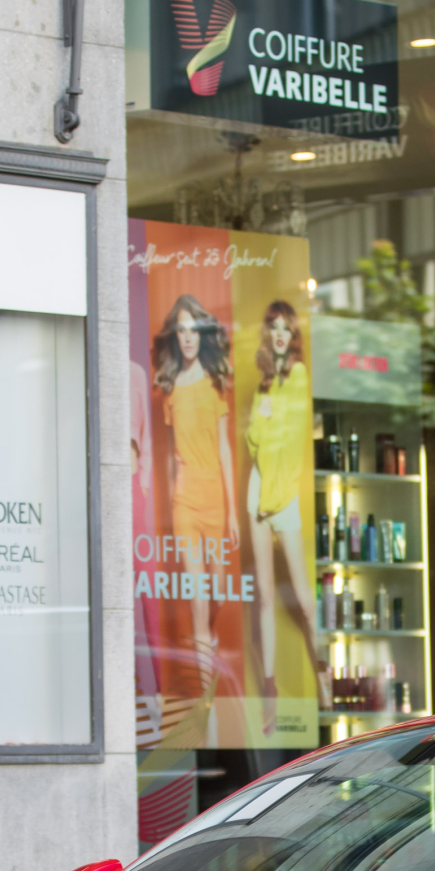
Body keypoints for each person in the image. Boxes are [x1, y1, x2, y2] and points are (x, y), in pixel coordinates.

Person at [150, 294, 236, 707]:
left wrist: (234, 512)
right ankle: (205, 702)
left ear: (202, 335)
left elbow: (224, 450)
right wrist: (169, 507)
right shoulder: (170, 390)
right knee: (198, 599)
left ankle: (210, 642)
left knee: (218, 593)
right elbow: (168, 456)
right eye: (180, 330)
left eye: (193, 330)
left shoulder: (214, 383)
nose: (187, 338)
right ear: (176, 336)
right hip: (185, 500)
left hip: (214, 498)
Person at [242, 299, 316, 737]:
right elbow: (254, 438)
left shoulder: (299, 376)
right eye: (274, 326)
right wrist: (265, 421)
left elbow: (287, 440)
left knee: (303, 597)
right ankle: (269, 686)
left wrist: (274, 496)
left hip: (281, 490)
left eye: (286, 326)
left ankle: (323, 673)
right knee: (265, 596)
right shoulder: (265, 382)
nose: (280, 333)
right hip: (259, 486)